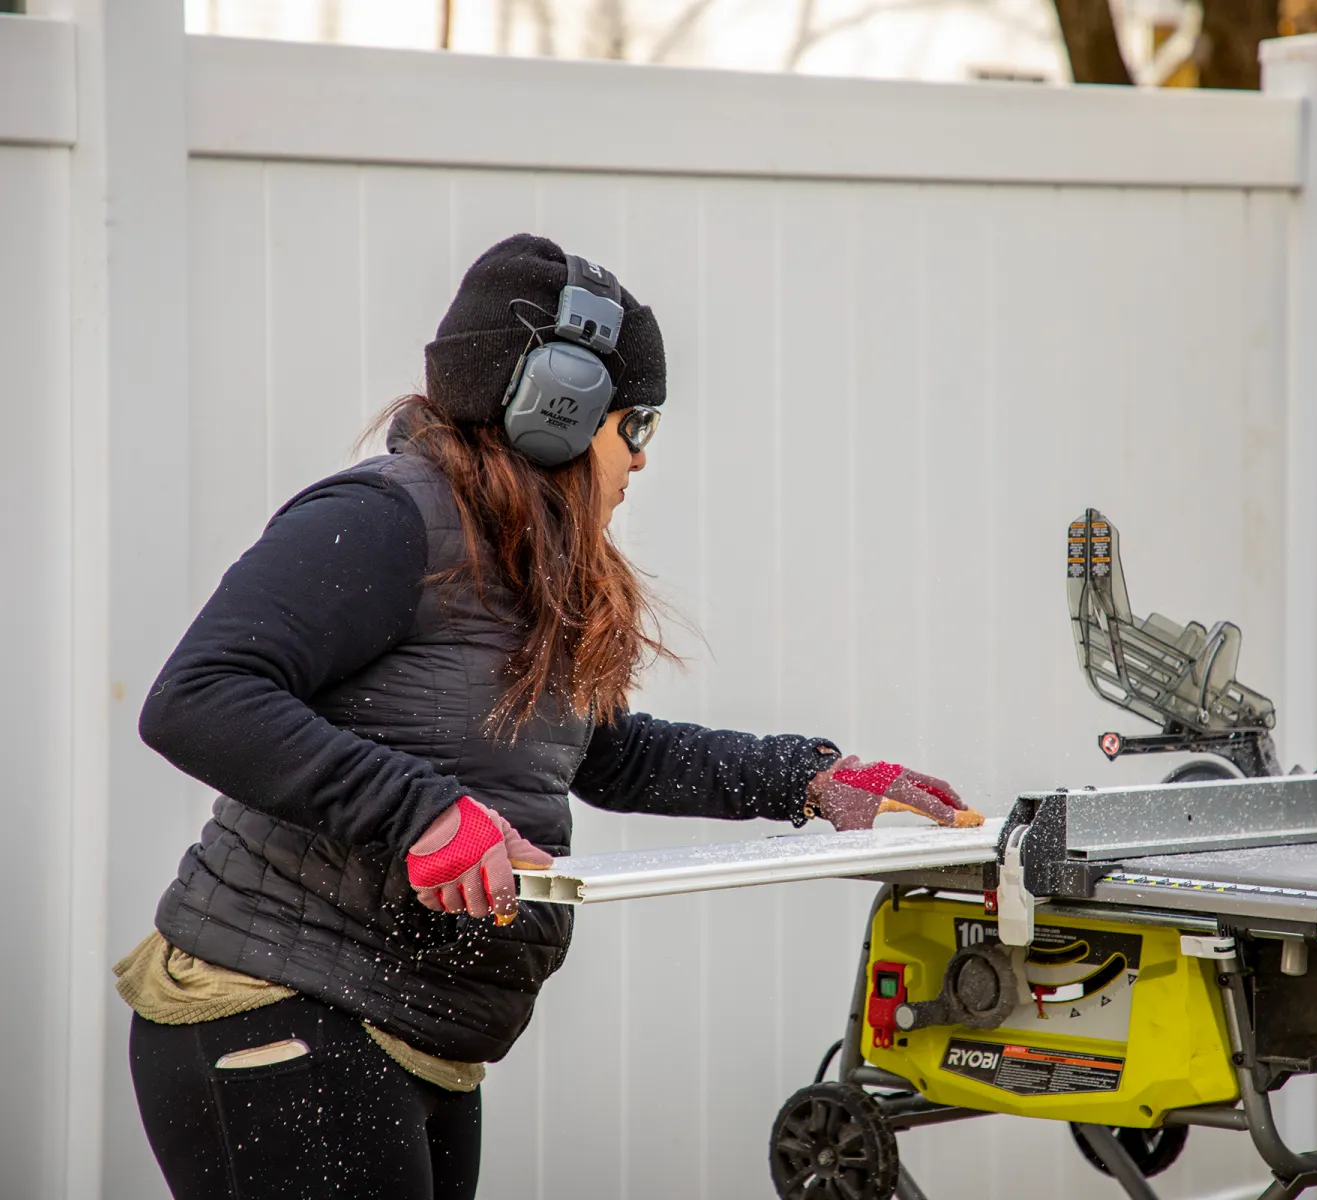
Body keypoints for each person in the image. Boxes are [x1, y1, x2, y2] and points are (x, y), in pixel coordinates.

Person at [116, 234, 980, 1200]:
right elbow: (197, 697)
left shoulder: (514, 554)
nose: (642, 458)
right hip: (279, 1013)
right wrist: (423, 813)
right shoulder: (384, 519)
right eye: (635, 423)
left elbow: (604, 754)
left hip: (414, 1037)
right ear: (556, 410)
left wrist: (811, 780)